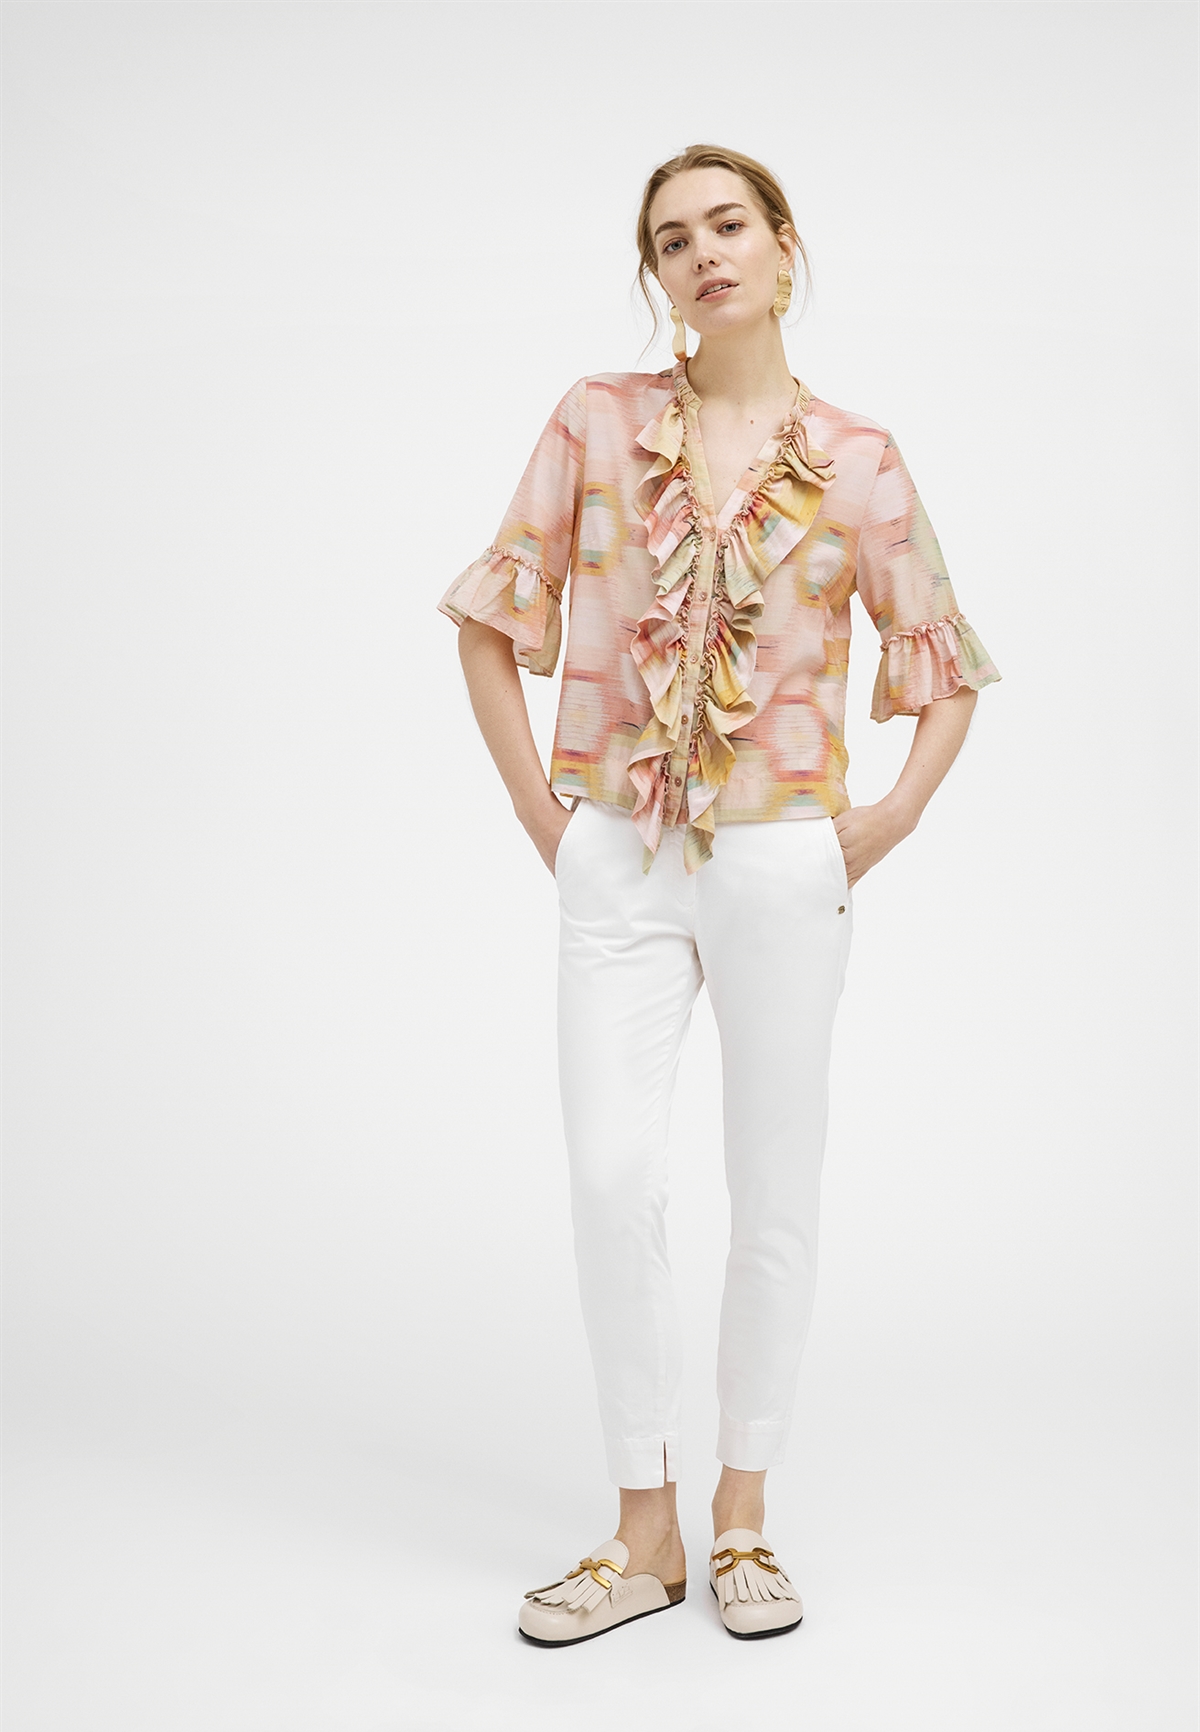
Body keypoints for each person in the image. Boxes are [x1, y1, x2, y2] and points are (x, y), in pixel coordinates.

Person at [436, 143, 1000, 1646]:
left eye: (729, 224)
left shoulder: (861, 458)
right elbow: (491, 621)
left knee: (776, 1187)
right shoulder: (595, 420)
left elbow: (941, 660)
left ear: (784, 245)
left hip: (781, 860)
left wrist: (884, 819)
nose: (705, 254)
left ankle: (743, 1514)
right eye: (673, 238)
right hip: (615, 851)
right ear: (658, 276)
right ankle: (645, 1530)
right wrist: (543, 818)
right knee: (611, 1175)